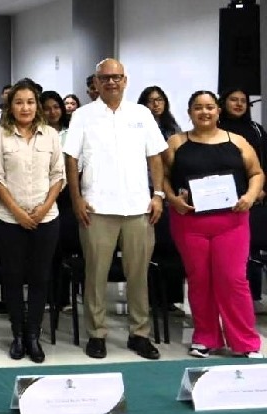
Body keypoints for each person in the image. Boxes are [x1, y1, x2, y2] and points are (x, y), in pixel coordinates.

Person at [64, 59, 167, 360]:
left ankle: (140, 334)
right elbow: (71, 159)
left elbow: (155, 157)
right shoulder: (83, 115)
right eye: (105, 77)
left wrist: (159, 195)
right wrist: (76, 198)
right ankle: (97, 334)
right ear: (96, 82)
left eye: (117, 77)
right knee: (95, 275)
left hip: (139, 208)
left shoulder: (141, 114)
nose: (111, 82)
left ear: (125, 80)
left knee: (138, 275)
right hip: (96, 208)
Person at [163, 91, 265, 359]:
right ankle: (205, 338)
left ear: (218, 111)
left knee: (233, 279)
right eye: (198, 107)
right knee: (199, 280)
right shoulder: (176, 142)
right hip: (189, 222)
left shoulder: (237, 141)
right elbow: (163, 177)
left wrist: (250, 196)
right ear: (189, 112)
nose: (204, 112)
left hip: (232, 222)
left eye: (209, 107)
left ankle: (245, 341)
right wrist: (172, 199)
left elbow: (256, 173)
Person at [0, 83, 65, 364]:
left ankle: (33, 334)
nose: (25, 107)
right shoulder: (0, 134)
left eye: (30, 102)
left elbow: (59, 175)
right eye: (19, 102)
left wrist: (43, 209)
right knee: (13, 277)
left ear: (37, 105)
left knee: (39, 278)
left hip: (46, 219)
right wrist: (18, 212)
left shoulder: (51, 135)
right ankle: (18, 334)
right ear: (11, 106)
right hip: (9, 219)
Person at [219, 87, 267, 314]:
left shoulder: (256, 130)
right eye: (233, 100)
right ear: (224, 103)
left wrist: (262, 190)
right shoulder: (216, 128)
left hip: (253, 198)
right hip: (221, 199)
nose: (238, 104)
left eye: (243, 101)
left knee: (251, 250)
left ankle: (253, 298)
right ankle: (225, 298)